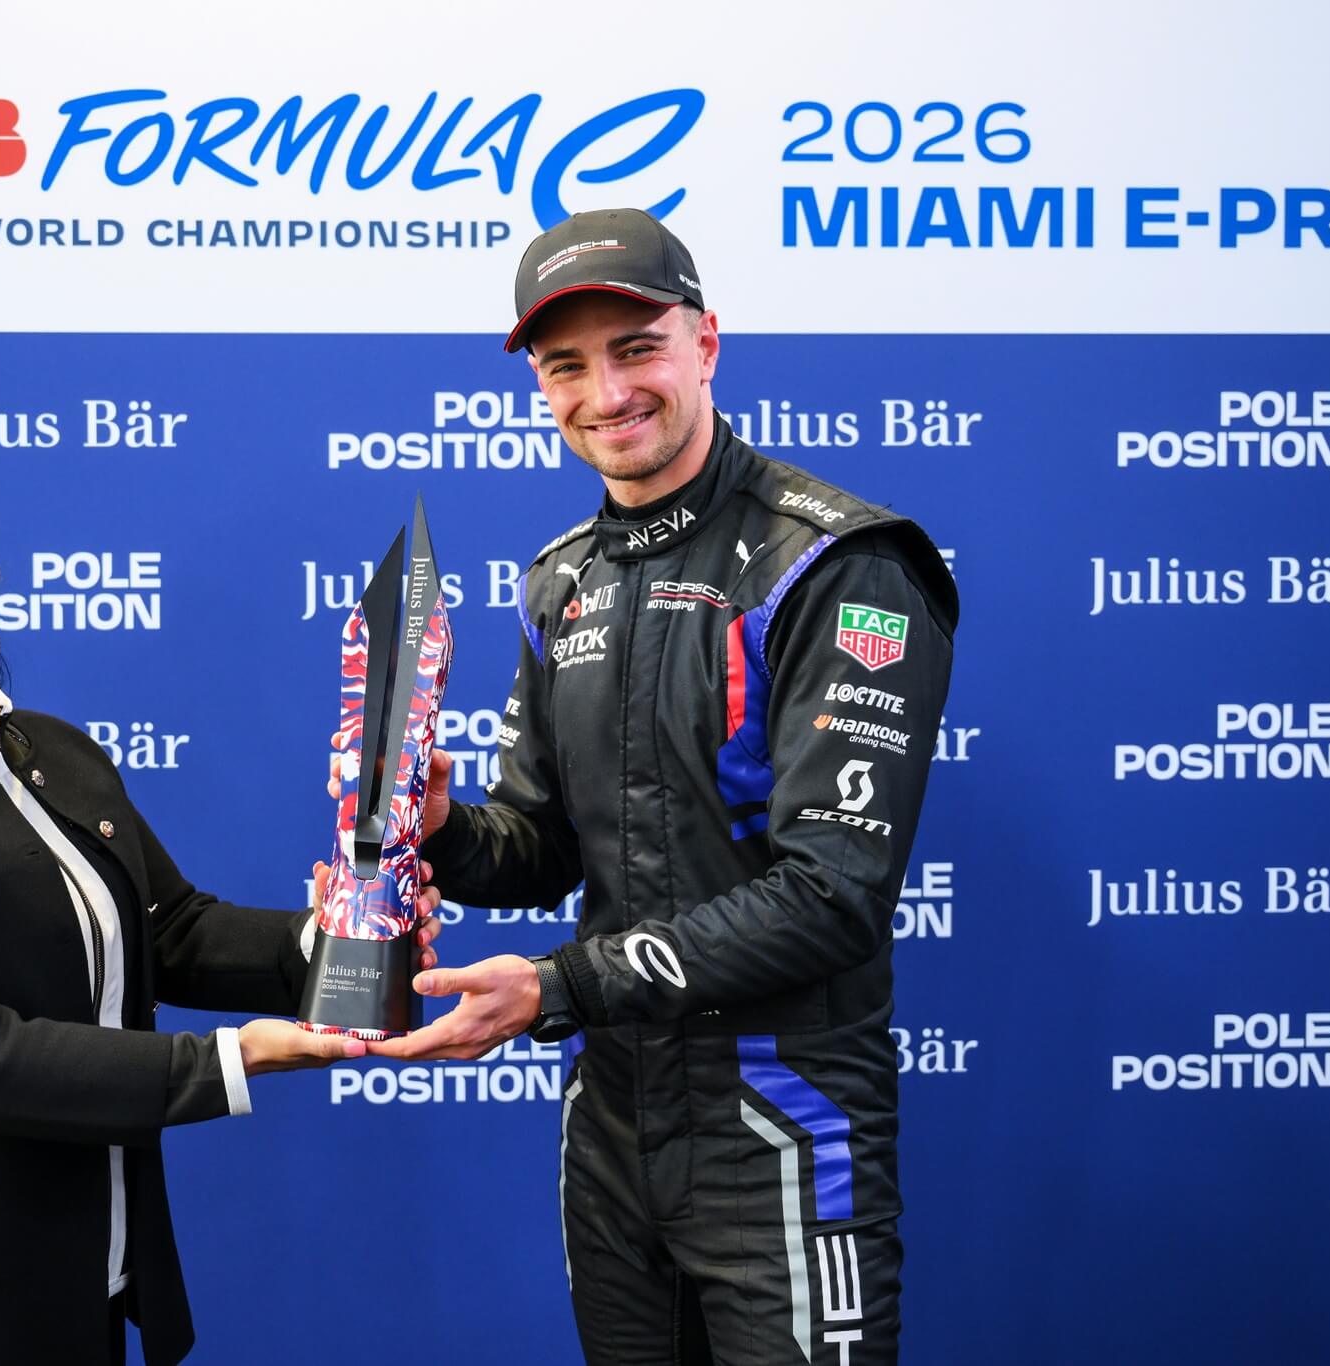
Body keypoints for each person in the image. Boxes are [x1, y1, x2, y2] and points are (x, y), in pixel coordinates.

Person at [366, 209, 959, 1364]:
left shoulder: (836, 564)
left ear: (706, 343)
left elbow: (831, 893)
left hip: (780, 1113)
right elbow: (544, 844)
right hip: (612, 1122)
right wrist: (441, 829)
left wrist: (560, 987)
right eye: (566, 365)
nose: (605, 393)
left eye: (635, 348)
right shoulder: (559, 582)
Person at [0, 429, 439, 1366]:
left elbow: (171, 931)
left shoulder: (53, 751)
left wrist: (338, 945)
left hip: (77, 1277)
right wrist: (229, 1061)